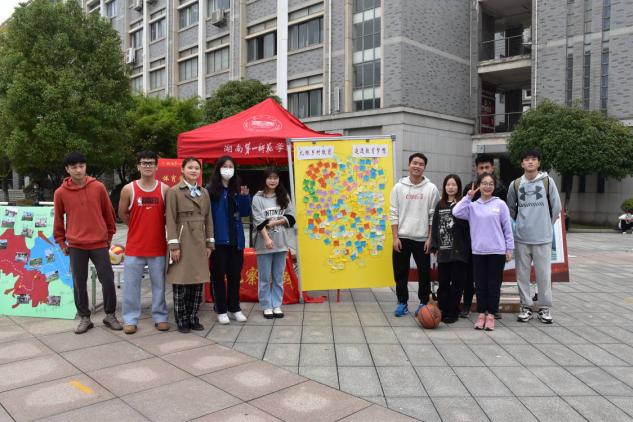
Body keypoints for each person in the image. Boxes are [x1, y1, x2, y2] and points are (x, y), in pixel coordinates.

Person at [53, 151, 122, 334]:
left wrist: (108, 237)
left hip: (99, 243)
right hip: (76, 246)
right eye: (74, 167)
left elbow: (108, 214)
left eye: (81, 166)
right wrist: (61, 242)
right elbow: (58, 220)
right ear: (67, 169)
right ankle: (85, 317)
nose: (78, 170)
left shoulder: (98, 187)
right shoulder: (60, 193)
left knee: (107, 280)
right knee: (79, 283)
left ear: (85, 167)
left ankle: (110, 315)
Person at [453, 173, 514, 331]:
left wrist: (509, 249)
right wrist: (468, 197)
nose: (487, 187)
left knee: (494, 285)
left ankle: (491, 315)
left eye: (490, 184)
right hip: (478, 252)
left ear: (494, 186)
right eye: (484, 183)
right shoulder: (472, 206)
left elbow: (507, 228)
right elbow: (456, 212)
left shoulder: (500, 204)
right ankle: (481, 314)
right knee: (480, 285)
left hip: (497, 252)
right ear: (479, 186)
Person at [507, 148, 561, 324]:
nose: (530, 162)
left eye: (533, 159)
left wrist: (545, 225)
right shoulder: (515, 184)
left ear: (539, 162)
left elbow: (556, 208)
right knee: (522, 275)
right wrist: (519, 226)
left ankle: (544, 308)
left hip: (542, 238)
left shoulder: (547, 182)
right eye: (526, 159)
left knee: (543, 275)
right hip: (522, 238)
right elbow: (510, 210)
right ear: (522, 163)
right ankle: (526, 307)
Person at [118, 151, 169, 334]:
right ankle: (130, 319)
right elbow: (122, 213)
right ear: (138, 166)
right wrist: (136, 226)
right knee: (131, 286)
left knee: (159, 285)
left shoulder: (165, 189)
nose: (147, 166)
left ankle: (160, 316)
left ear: (156, 166)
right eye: (144, 163)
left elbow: (169, 216)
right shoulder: (128, 189)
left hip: (158, 247)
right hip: (135, 247)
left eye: (151, 163)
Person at [165, 157, 214, 333]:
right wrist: (174, 246)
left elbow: (209, 219)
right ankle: (181, 319)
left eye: (196, 168)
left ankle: (193, 316)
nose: (194, 171)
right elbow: (170, 220)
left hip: (199, 240)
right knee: (180, 281)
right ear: (182, 169)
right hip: (183, 239)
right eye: (190, 167)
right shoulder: (174, 191)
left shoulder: (204, 192)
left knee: (197, 280)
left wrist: (209, 243)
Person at [390, 153, 439, 317]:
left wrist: (430, 238)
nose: (417, 166)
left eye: (421, 164)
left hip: (422, 239)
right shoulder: (398, 187)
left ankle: (423, 303)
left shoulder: (431, 189)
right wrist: (395, 237)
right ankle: (402, 302)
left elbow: (433, 216)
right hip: (402, 238)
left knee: (424, 273)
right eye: (414, 163)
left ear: (424, 167)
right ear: (409, 165)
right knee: (400, 273)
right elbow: (393, 213)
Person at [461, 154, 508, 319]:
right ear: (476, 169)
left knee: (494, 279)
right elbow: (462, 211)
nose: (484, 170)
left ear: (492, 168)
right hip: (474, 240)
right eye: (481, 168)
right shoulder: (470, 187)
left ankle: (493, 309)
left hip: (495, 242)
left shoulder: (500, 189)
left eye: (487, 167)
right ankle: (467, 305)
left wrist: (507, 245)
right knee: (471, 276)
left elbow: (505, 218)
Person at [208, 156, 251, 325]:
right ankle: (221, 309)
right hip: (219, 241)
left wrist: (245, 197)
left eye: (230, 166)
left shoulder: (237, 188)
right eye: (225, 166)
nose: (228, 169)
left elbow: (245, 213)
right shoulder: (211, 190)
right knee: (218, 276)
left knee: (234, 276)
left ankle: (235, 308)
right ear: (219, 168)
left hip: (236, 241)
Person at [251, 168, 296, 319]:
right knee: (264, 278)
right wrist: (267, 239)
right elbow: (258, 221)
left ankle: (276, 304)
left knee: (278, 277)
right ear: (264, 180)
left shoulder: (283, 196)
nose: (272, 181)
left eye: (275, 178)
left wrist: (275, 222)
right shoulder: (257, 198)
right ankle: (266, 306)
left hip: (281, 243)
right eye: (269, 178)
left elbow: (291, 217)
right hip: (264, 244)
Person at [430, 174, 470, 324]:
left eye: (454, 185)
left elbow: (468, 226)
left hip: (459, 251)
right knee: (443, 282)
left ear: (458, 187)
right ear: (444, 187)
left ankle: (453, 311)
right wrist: (434, 245)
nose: (451, 187)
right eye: (448, 184)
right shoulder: (440, 205)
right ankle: (443, 309)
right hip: (444, 251)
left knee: (457, 283)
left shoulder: (463, 204)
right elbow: (435, 225)